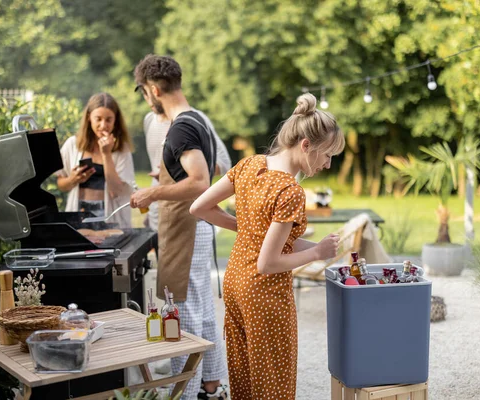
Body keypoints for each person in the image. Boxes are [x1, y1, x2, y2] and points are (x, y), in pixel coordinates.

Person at [190, 93, 345, 399]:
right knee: (273, 380)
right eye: (327, 155)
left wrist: (247, 227)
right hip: (264, 293)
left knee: (245, 375)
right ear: (305, 145)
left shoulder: (250, 165)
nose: (328, 164)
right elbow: (268, 263)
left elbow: (199, 207)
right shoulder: (290, 191)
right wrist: (316, 253)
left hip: (235, 285)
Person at [130, 54, 228, 400]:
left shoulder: (181, 127)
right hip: (194, 229)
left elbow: (201, 181)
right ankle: (210, 387)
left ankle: (182, 395)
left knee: (182, 320)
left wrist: (153, 192)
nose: (146, 98)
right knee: (197, 314)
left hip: (185, 233)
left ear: (154, 89)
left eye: (143, 92)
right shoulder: (196, 121)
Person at [142, 106, 231, 230]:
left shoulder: (191, 121)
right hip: (157, 215)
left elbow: (224, 163)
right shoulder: (149, 119)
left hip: (187, 219)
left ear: (154, 90)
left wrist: (178, 171)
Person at [57, 93, 135, 228]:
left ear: (115, 120)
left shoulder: (121, 149)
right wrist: (72, 179)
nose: (103, 125)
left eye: (109, 120)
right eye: (98, 119)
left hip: (110, 217)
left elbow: (116, 191)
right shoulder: (73, 144)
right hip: (78, 214)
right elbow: (61, 184)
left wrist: (106, 154)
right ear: (89, 118)